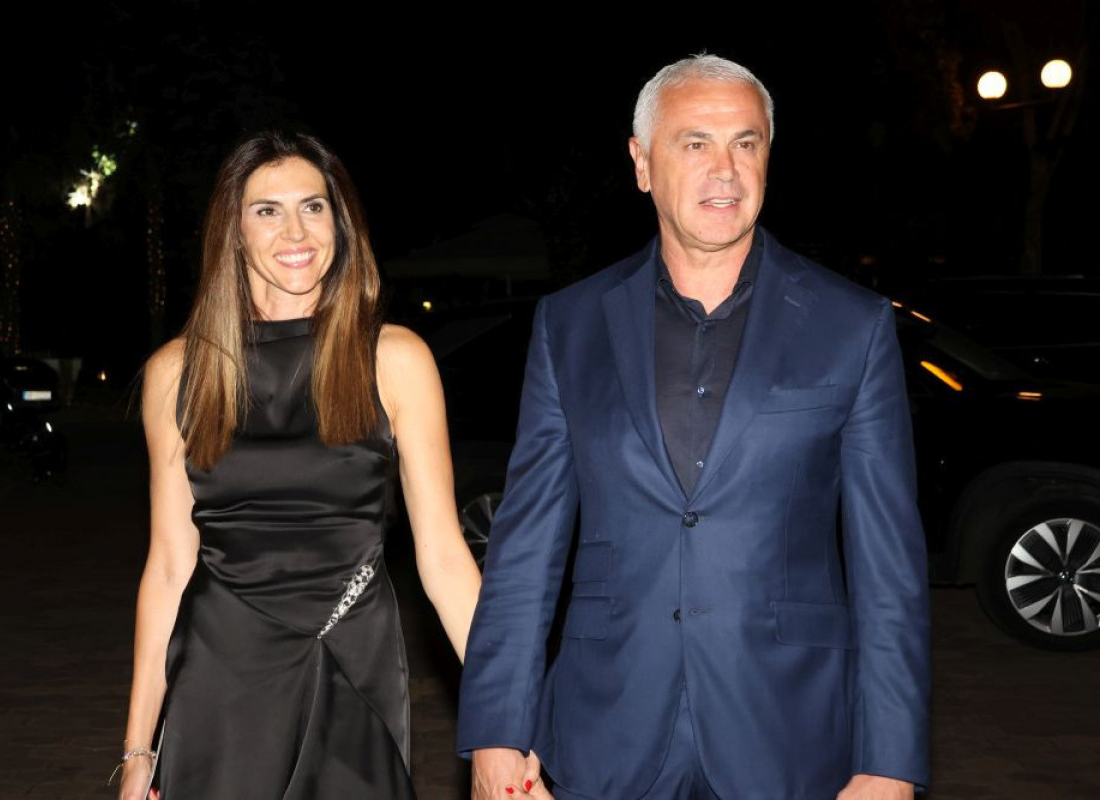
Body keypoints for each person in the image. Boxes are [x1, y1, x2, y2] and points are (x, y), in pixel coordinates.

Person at [457, 53, 931, 799]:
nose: (725, 170)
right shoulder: (570, 326)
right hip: (604, 729)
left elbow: (889, 568)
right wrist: (495, 732)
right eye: (696, 143)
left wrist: (892, 761)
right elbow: (524, 552)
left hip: (789, 733)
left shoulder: (851, 325)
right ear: (642, 163)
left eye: (746, 143)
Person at [113, 128, 526, 799]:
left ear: (340, 221)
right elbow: (167, 567)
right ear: (233, 232)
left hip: (350, 654)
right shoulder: (180, 373)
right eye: (267, 211)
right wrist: (138, 751)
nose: (295, 232)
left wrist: (506, 722)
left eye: (313, 206)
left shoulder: (394, 358)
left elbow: (446, 559)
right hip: (220, 672)